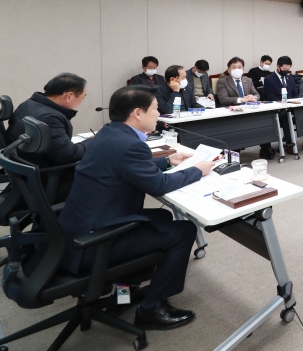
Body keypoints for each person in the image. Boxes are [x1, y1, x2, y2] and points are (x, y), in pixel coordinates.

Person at [58, 86, 216, 330]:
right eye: (155, 109)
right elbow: (159, 185)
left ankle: (125, 292)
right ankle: (151, 309)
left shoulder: (109, 133)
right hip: (92, 243)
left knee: (161, 217)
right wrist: (197, 170)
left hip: (76, 229)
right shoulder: (131, 145)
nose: (159, 113)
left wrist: (167, 160)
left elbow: (124, 164)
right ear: (138, 113)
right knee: (184, 231)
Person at [7, 73, 89, 201]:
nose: (81, 102)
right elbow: (69, 155)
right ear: (69, 96)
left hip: (27, 172)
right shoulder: (49, 117)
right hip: (48, 179)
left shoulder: (29, 104)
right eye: (82, 98)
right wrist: (95, 141)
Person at [262, 56, 303, 153]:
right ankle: (289, 143)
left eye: (288, 69)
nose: (286, 71)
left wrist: (294, 101)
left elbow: (295, 93)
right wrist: (281, 103)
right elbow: (270, 97)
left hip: (291, 106)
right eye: (284, 69)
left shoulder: (290, 78)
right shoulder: (269, 79)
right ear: (278, 67)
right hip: (278, 109)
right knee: (287, 116)